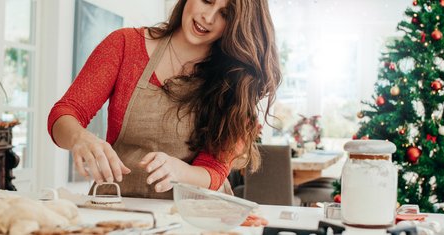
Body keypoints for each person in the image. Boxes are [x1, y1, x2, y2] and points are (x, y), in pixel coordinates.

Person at [48, 0, 281, 199]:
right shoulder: (125, 45)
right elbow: (66, 112)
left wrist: (180, 172)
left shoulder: (236, 81)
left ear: (237, 24)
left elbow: (215, 170)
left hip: (195, 216)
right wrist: (80, 137)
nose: (207, 17)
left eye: (225, 14)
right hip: (118, 206)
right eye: (207, 0)